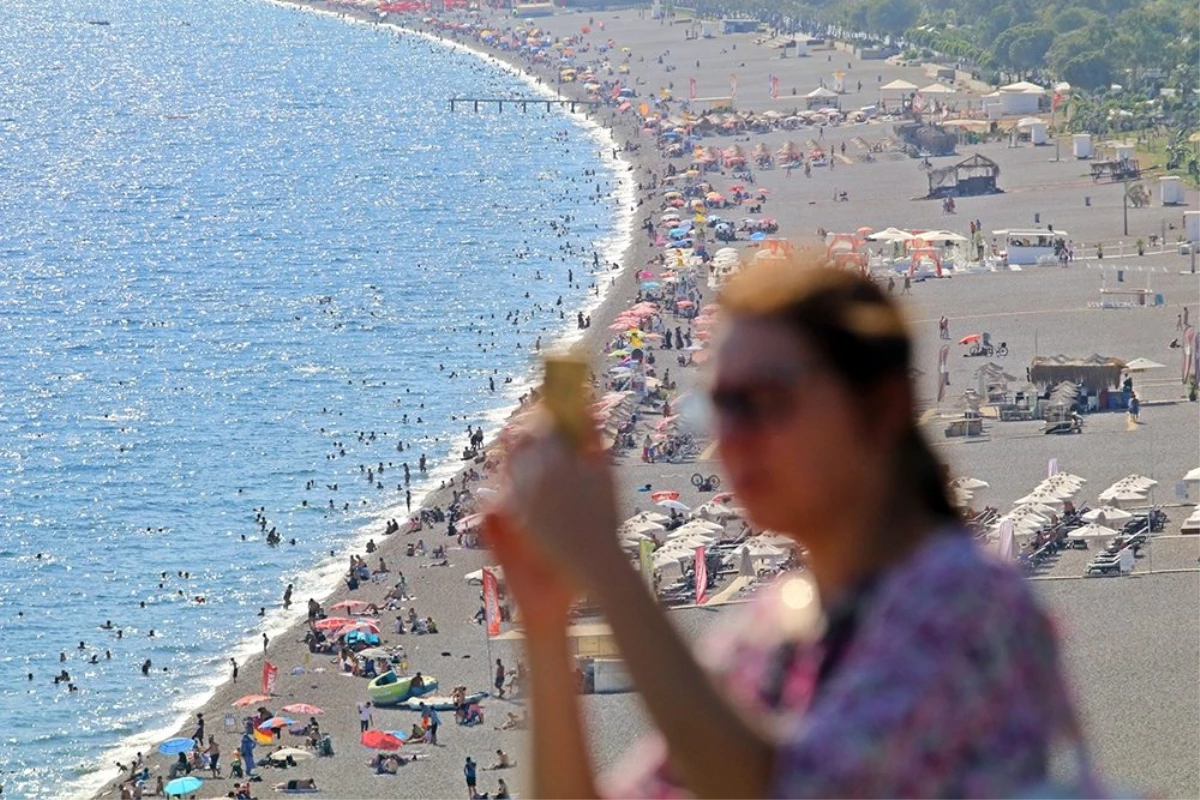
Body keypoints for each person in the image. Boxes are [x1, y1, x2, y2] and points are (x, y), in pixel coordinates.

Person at [484, 257, 1089, 799]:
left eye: (765, 400)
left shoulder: (971, 605)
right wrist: (543, 617)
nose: (733, 436)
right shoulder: (773, 632)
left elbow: (782, 787)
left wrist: (606, 565)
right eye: (721, 405)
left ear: (881, 407)